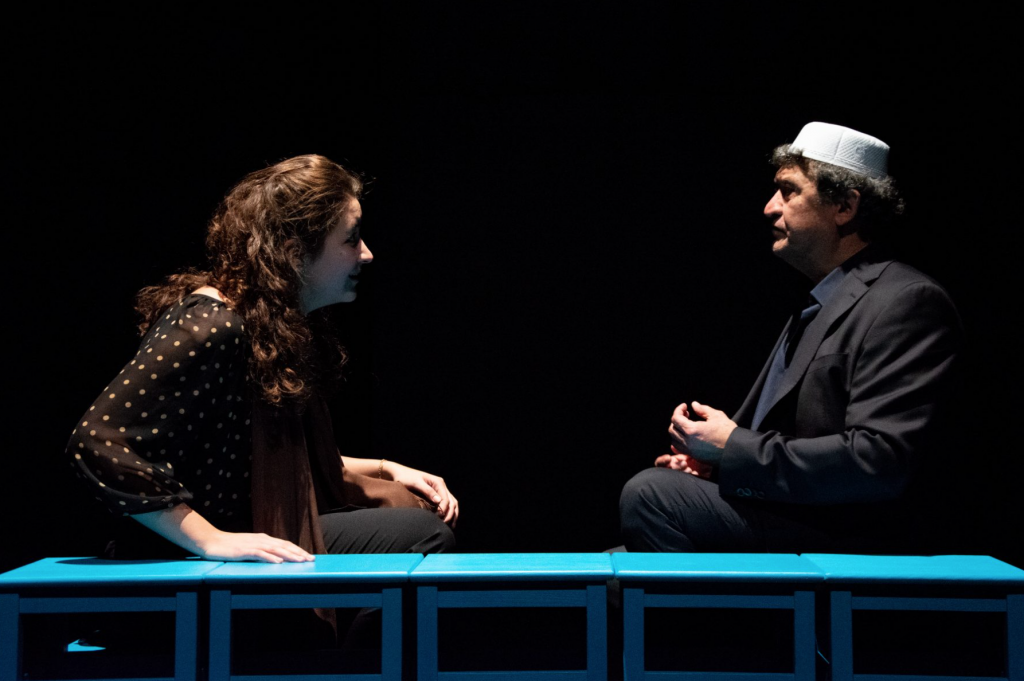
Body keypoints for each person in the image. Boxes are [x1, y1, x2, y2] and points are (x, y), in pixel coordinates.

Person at [67, 154, 456, 570]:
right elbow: (98, 441)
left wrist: (386, 468)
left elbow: (270, 459)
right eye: (351, 239)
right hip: (186, 546)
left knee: (409, 504)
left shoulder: (269, 322)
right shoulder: (212, 324)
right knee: (423, 533)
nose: (366, 254)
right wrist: (210, 539)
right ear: (294, 253)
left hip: (248, 522)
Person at [619, 122, 962, 553]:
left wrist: (733, 447)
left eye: (788, 191)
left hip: (852, 535)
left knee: (650, 496)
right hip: (798, 517)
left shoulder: (906, 301)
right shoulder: (819, 301)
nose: (769, 207)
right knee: (610, 569)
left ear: (845, 205)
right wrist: (715, 464)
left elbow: (879, 460)